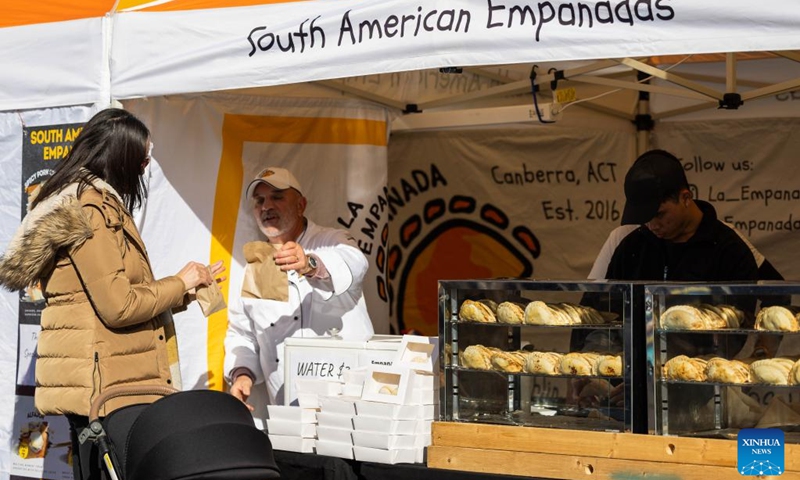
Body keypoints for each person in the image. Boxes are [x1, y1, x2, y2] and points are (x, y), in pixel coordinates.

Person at [0, 108, 225, 480]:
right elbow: (118, 306)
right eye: (143, 157)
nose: (145, 167)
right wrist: (180, 282)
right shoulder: (91, 209)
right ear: (120, 155)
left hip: (110, 384)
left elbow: (113, 296)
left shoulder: (93, 204)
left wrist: (185, 291)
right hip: (109, 390)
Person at [224, 166, 374, 409]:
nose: (266, 206)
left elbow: (355, 263)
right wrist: (242, 374)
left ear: (300, 205)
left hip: (347, 401)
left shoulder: (331, 240)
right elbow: (243, 332)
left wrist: (311, 264)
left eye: (277, 197)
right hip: (288, 410)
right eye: (259, 200)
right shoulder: (254, 264)